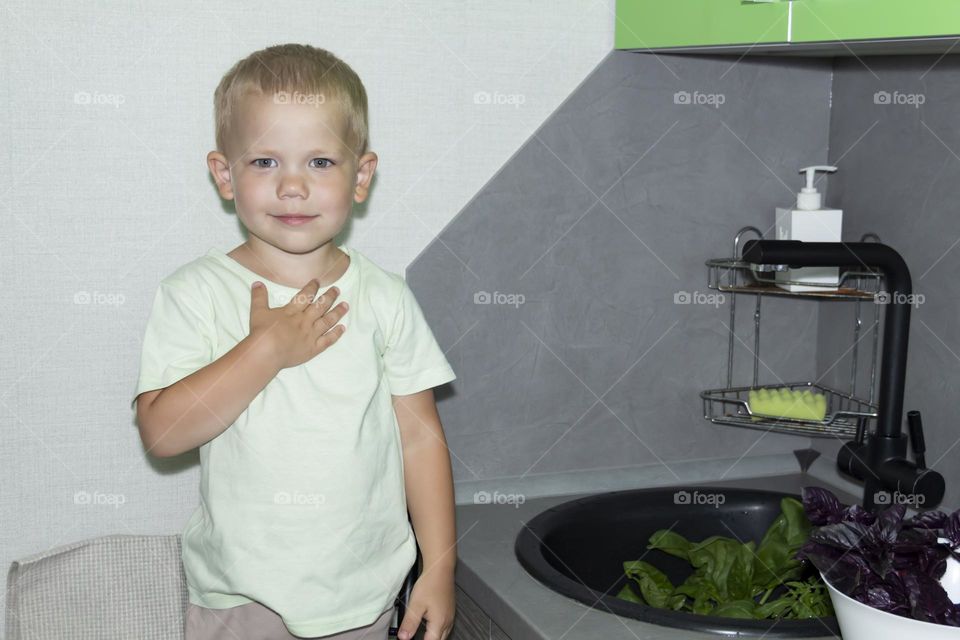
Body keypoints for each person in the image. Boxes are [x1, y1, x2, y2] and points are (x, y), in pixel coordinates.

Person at [132, 43, 457, 640]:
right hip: (241, 597)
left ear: (361, 177)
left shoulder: (384, 297)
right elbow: (162, 434)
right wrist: (266, 351)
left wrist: (438, 568)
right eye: (263, 163)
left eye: (320, 162)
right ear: (225, 175)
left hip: (365, 593)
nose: (291, 186)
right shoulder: (195, 293)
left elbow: (421, 438)